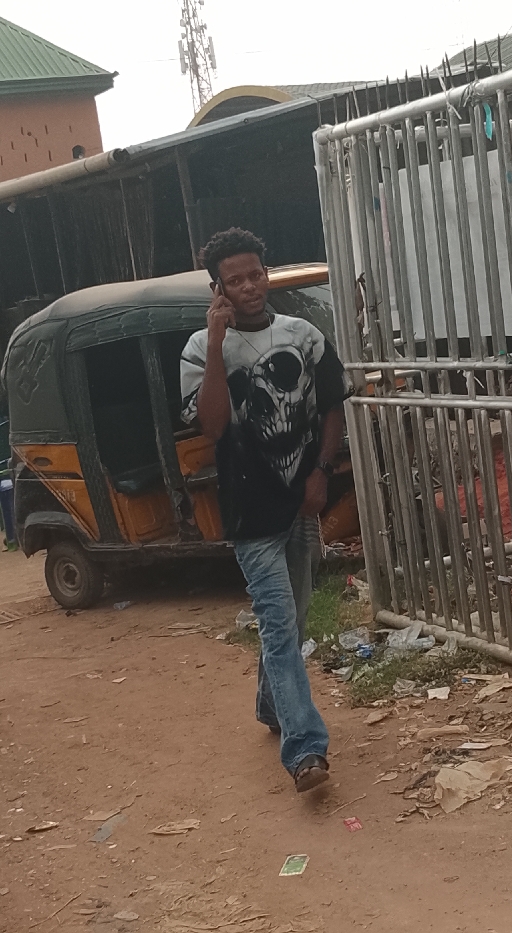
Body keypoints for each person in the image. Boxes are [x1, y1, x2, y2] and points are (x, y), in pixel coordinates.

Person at [180, 227, 351, 792]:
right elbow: (212, 426)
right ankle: (305, 751)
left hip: (302, 500)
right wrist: (214, 343)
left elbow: (331, 408)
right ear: (218, 289)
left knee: (294, 622)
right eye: (235, 280)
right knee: (279, 626)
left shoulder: (303, 336)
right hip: (250, 514)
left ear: (266, 273)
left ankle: (270, 705)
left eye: (255, 274)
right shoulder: (199, 350)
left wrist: (321, 473)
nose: (249, 286)